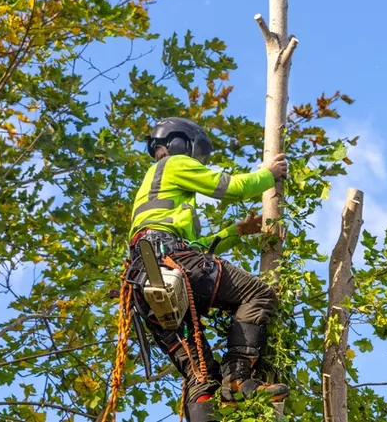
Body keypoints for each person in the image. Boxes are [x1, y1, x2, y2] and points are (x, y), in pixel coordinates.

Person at [123, 117, 289, 422]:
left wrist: (236, 231)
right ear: (178, 144)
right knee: (257, 293)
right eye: (195, 152)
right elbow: (231, 187)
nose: (196, 160)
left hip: (146, 280)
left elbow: (198, 248)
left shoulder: (153, 194)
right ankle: (238, 379)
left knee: (199, 373)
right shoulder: (173, 164)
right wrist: (268, 175)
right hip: (171, 259)